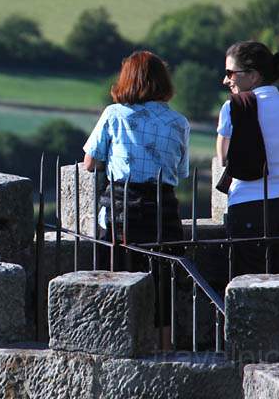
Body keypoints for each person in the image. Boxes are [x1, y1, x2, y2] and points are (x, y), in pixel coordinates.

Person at [82, 50, 189, 348]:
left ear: (127, 79)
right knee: (163, 280)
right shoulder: (178, 122)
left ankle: (115, 344)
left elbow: (90, 163)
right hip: (162, 207)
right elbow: (180, 171)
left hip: (121, 207)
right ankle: (164, 350)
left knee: (116, 275)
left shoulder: (114, 114)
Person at [216, 41, 279, 276]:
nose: (226, 80)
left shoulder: (232, 107)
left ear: (254, 76)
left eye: (230, 73)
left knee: (248, 285)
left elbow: (223, 157)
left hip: (248, 205)